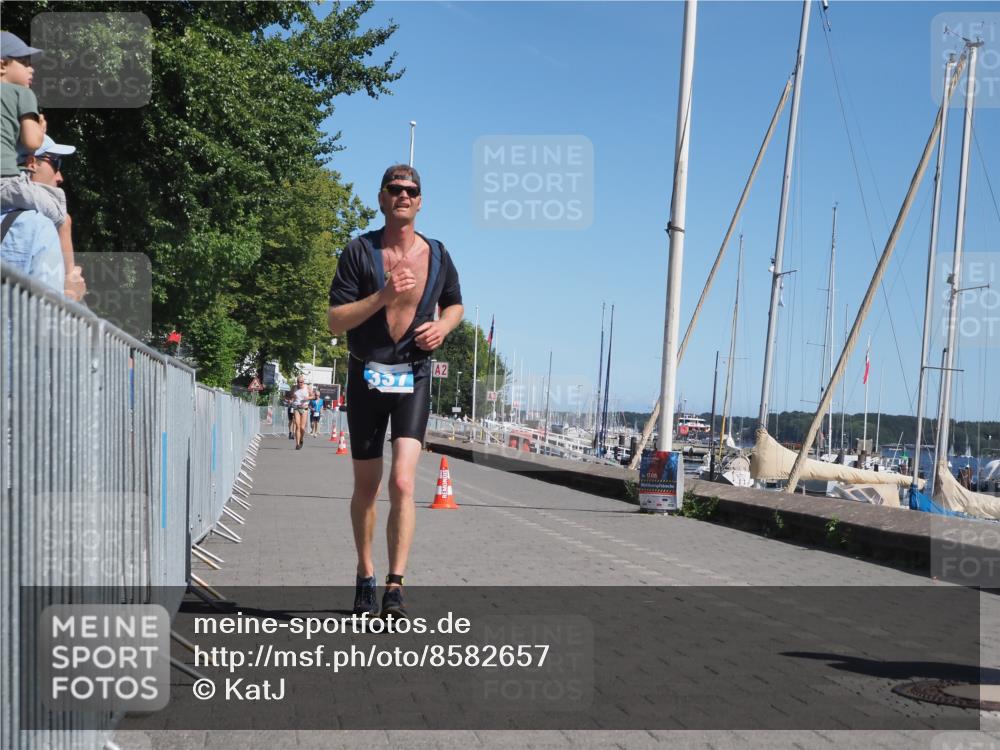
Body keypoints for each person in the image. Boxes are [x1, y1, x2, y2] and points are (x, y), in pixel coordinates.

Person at [328, 164, 463, 618]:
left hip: (414, 376)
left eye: (411, 190)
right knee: (366, 486)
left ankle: (395, 584)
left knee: (403, 481)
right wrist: (383, 296)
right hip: (367, 374)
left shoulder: (439, 255)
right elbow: (335, 320)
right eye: (395, 189)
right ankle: (365, 573)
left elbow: (455, 303)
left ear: (420, 201)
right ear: (382, 199)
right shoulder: (358, 251)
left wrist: (443, 326)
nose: (403, 196)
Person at [1, 32, 67, 228]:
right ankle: (68, 261)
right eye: (24, 62)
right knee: (58, 212)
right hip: (5, 182)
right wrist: (39, 128)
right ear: (2, 65)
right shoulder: (22, 93)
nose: (32, 69)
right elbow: (33, 142)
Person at [17, 135, 85, 301]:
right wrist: (72, 294)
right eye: (56, 163)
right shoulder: (41, 226)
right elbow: (48, 311)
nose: (60, 177)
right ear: (31, 163)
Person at [288, 375, 311, 449]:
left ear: (303, 382)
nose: (299, 383)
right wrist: (292, 396)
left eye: (301, 382)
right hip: (296, 408)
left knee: (302, 427)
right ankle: (297, 444)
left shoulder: (307, 387)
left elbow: (313, 396)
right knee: (297, 426)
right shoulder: (294, 387)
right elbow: (290, 395)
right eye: (298, 382)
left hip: (304, 408)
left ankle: (301, 439)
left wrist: (307, 398)